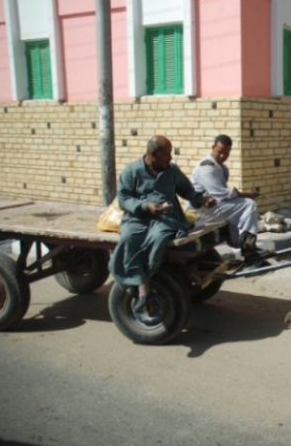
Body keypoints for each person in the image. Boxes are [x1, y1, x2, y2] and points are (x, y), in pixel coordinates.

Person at [109, 135, 216, 323]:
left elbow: (188, 191)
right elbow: (124, 199)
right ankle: (138, 282)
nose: (170, 158)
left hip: (166, 218)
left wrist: (203, 200)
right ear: (153, 154)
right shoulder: (132, 171)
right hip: (138, 218)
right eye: (166, 154)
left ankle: (144, 279)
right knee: (128, 239)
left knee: (158, 239)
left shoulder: (172, 171)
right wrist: (146, 206)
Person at [191, 134, 260, 257]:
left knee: (240, 209)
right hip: (201, 211)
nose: (222, 156)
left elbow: (224, 196)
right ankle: (248, 248)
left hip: (213, 207)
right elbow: (219, 193)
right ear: (213, 148)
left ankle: (240, 244)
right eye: (220, 152)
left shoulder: (221, 168)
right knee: (249, 205)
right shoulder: (206, 166)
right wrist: (246, 194)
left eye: (226, 154)